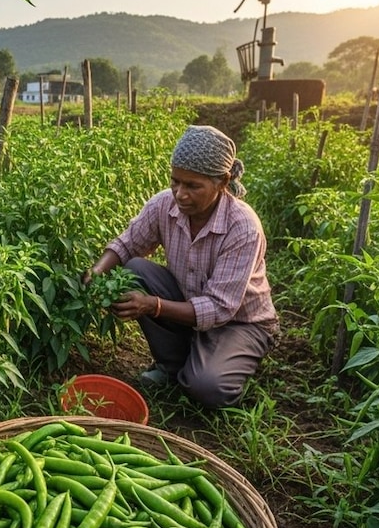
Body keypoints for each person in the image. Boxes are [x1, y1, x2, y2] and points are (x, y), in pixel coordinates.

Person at [82, 125, 278, 407]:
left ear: (222, 182)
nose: (180, 194)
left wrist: (153, 305)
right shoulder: (164, 204)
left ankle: (223, 362)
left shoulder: (242, 227)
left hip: (240, 323)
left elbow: (220, 309)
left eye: (193, 186)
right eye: (176, 181)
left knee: (207, 387)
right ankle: (174, 365)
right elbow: (127, 245)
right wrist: (96, 271)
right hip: (191, 306)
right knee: (136, 269)